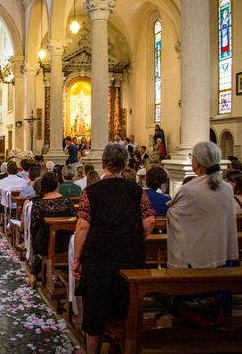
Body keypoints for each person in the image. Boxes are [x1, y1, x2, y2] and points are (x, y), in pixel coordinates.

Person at [72, 143, 156, 354]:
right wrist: (133, 238)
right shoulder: (137, 191)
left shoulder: (90, 192)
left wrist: (77, 258)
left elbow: (82, 225)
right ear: (125, 164)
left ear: (103, 164)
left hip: (98, 258)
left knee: (95, 310)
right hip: (130, 258)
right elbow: (150, 221)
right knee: (125, 305)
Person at [167, 142, 238, 269]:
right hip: (222, 252)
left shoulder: (189, 189)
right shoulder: (227, 188)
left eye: (192, 157)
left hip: (200, 257)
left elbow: (175, 216)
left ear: (197, 163)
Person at [29, 172, 76, 281]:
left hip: (45, 245)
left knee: (39, 240)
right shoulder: (68, 202)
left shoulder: (39, 204)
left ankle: (34, 273)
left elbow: (33, 227)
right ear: (57, 184)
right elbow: (74, 221)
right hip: (66, 243)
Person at [0, 161, 28, 233]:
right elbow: (27, 195)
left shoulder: (2, 181)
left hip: (5, 207)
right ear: (17, 171)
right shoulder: (23, 181)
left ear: (7, 171)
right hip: (20, 207)